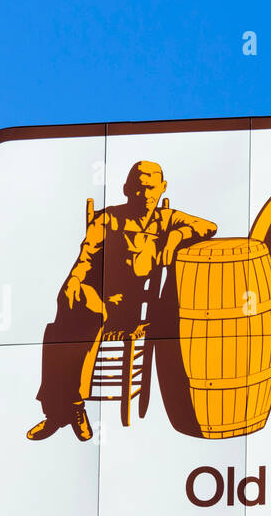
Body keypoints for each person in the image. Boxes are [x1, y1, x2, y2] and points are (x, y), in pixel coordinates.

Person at [27, 161, 217, 440]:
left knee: (74, 324)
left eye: (152, 188)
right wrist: (74, 283)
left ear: (162, 188)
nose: (145, 195)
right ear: (127, 189)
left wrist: (177, 235)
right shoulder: (109, 219)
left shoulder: (166, 220)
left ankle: (62, 411)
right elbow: (86, 257)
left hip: (133, 309)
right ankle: (67, 408)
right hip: (99, 298)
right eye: (139, 188)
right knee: (63, 320)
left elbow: (209, 227)